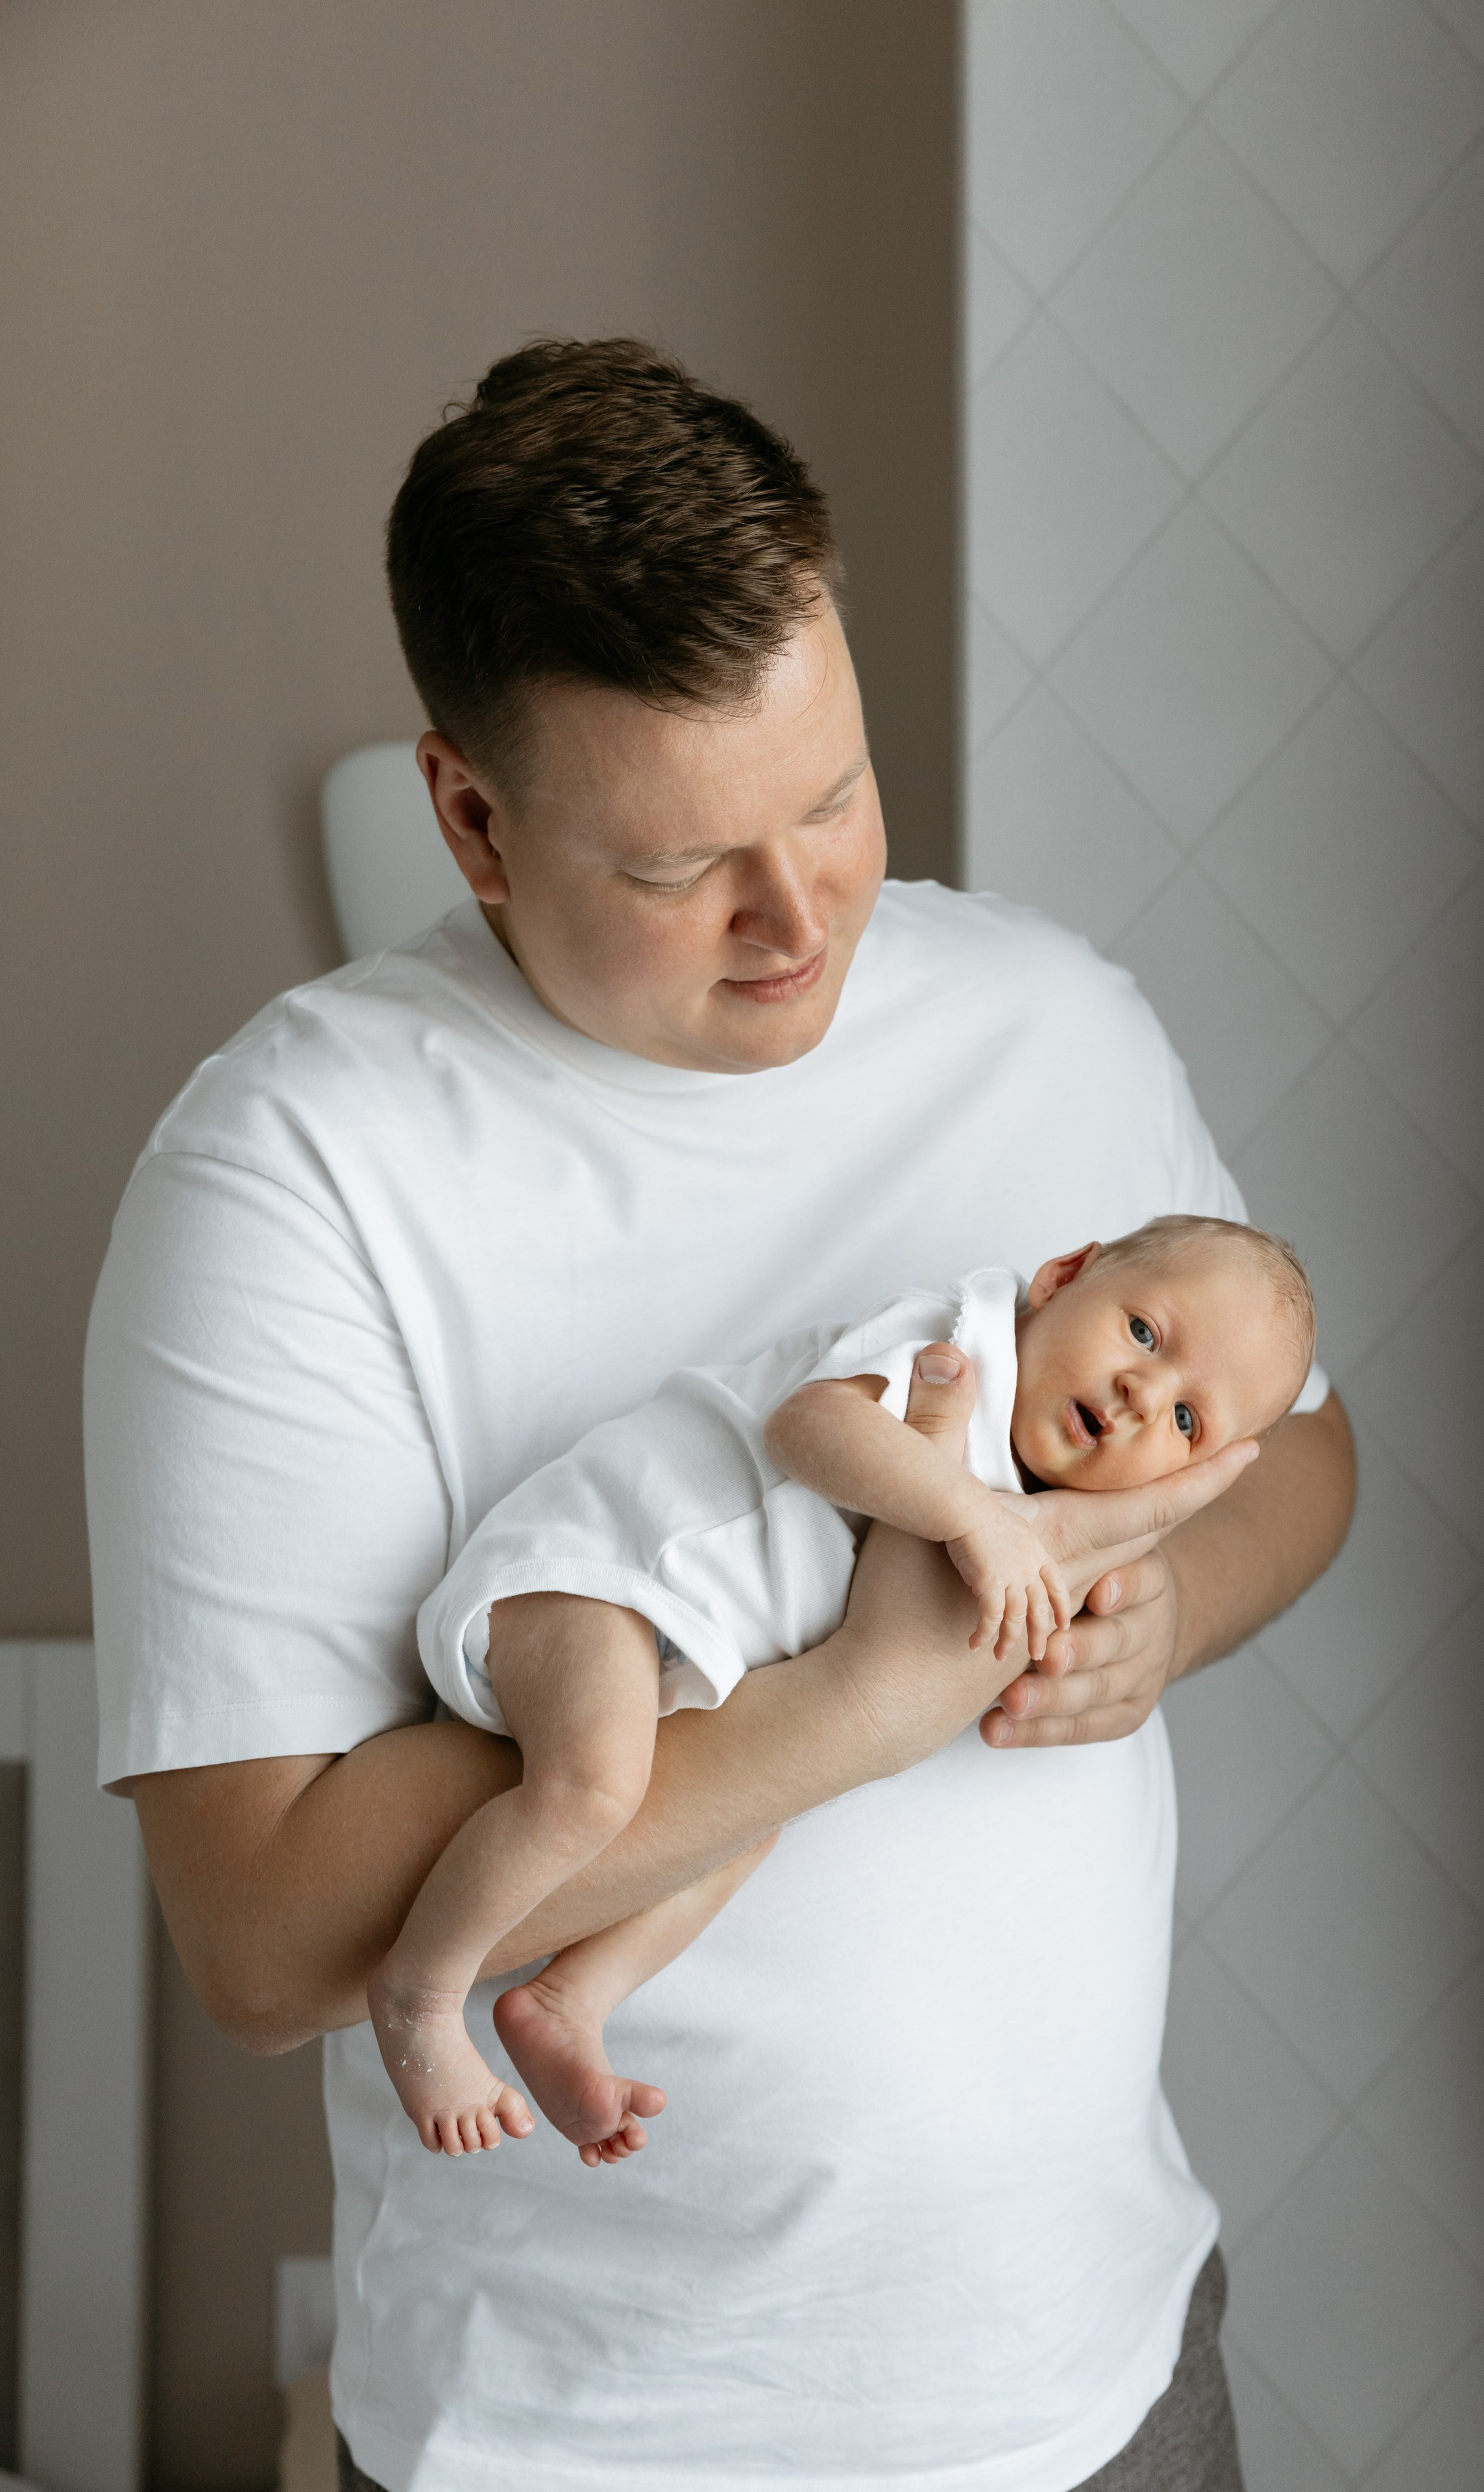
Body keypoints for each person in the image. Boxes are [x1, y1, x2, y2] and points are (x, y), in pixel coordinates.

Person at [88, 338, 1356, 2492]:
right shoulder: (289, 1177)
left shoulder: (1055, 1023)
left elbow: (1297, 1455)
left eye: (838, 799)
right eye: (685, 870)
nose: (802, 919)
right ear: (471, 819)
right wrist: (867, 1700)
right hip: (578, 2449)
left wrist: (1173, 1605)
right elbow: (267, 1934)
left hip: (1110, 2390)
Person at [374, 1218, 1316, 2167]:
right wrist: (971, 1520)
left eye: (1189, 1421)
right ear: (1064, 1276)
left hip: (675, 1647)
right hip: (592, 1574)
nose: (1143, 1393)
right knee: (596, 1788)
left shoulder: (1030, 1506)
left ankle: (568, 1999)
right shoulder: (954, 1340)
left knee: (743, 1827)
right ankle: (418, 1993)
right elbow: (811, 1425)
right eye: (1145, 1334)